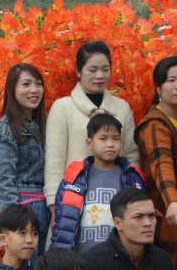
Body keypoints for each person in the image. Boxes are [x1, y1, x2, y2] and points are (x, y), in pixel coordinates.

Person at [45, 41, 139, 217]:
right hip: (73, 202)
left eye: (105, 69)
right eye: (92, 69)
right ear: (78, 71)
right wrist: (54, 204)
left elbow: (131, 155)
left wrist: (133, 195)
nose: (100, 75)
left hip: (116, 200)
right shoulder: (62, 108)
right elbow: (54, 162)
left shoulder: (122, 108)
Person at [134, 55, 177, 270]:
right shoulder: (154, 124)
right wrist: (172, 202)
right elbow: (162, 164)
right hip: (163, 211)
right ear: (158, 87)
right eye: (171, 80)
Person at [51, 114, 146, 253]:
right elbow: (61, 226)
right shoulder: (73, 180)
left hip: (120, 260)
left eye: (116, 139)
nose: (110, 144)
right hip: (79, 262)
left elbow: (143, 221)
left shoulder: (132, 179)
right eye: (103, 138)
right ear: (89, 143)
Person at [0, 63, 49, 259]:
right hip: (23, 208)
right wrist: (15, 226)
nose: (34, 90)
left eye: (38, 84)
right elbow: (2, 182)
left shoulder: (41, 126)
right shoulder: (4, 131)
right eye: (26, 84)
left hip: (46, 210)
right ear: (12, 89)